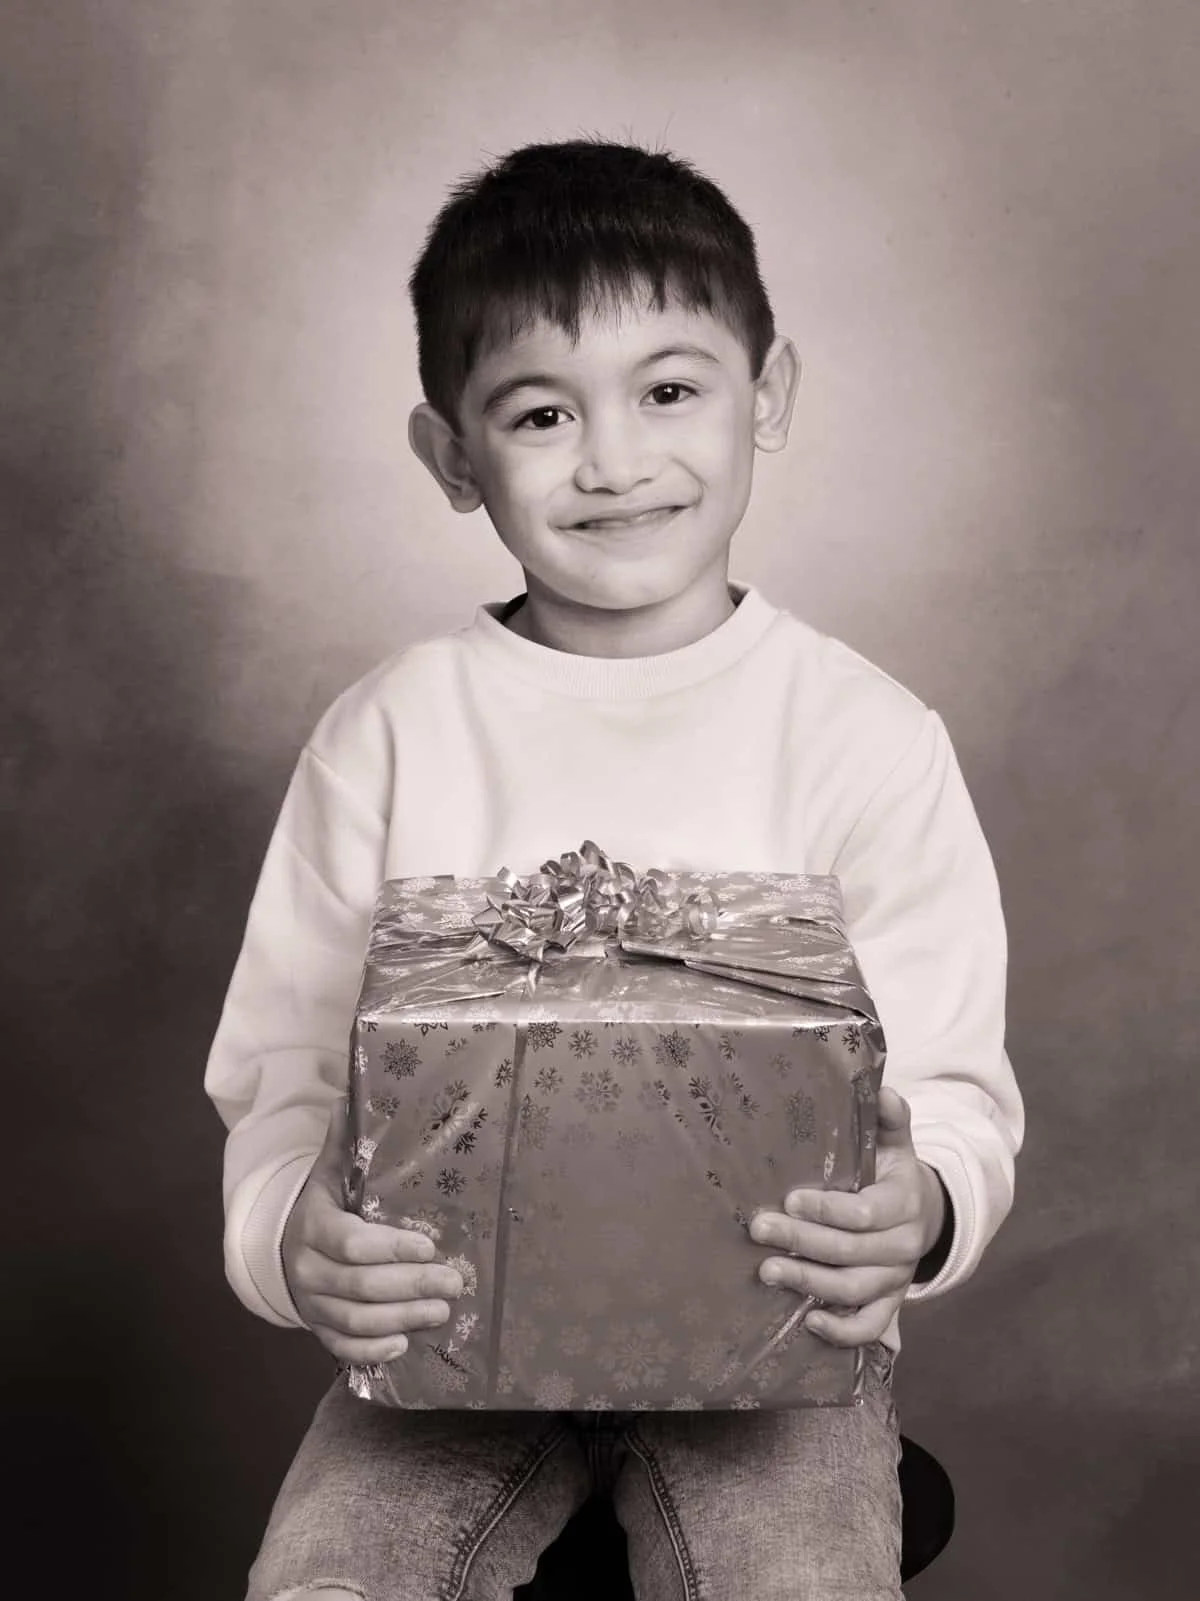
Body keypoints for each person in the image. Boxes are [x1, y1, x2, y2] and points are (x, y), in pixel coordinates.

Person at [206, 139, 1024, 1601]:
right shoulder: (388, 736)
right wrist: (290, 1236)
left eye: (669, 390)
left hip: (775, 1364)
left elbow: (955, 1090)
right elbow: (282, 1080)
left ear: (764, 397)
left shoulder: (867, 738)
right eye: (539, 411)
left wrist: (928, 1203)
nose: (614, 459)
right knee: (325, 1583)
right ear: (454, 454)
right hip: (448, 1356)